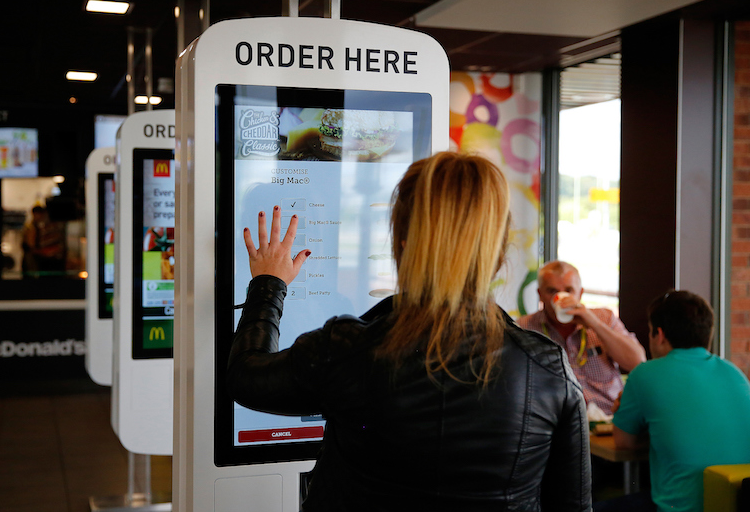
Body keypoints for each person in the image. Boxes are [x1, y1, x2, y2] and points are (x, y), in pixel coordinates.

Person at [227, 152, 591, 511]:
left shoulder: (346, 348)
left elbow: (246, 375)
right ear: (497, 254)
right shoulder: (548, 371)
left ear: (402, 241)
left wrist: (268, 284)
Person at [601, 290, 750, 512]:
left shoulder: (645, 373)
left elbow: (624, 443)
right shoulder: (735, 373)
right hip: (736, 503)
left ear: (659, 334)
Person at [517, 261, 646, 414]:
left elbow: (638, 362)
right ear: (540, 295)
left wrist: (594, 324)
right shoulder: (524, 328)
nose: (560, 297)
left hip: (608, 417)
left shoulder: (604, 318)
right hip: (556, 422)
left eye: (569, 290)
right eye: (552, 291)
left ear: (580, 293)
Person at [21, 205, 66, 276]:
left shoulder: (48, 227)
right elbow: (29, 243)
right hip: (37, 258)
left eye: (37, 215)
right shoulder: (32, 226)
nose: (36, 217)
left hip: (48, 260)